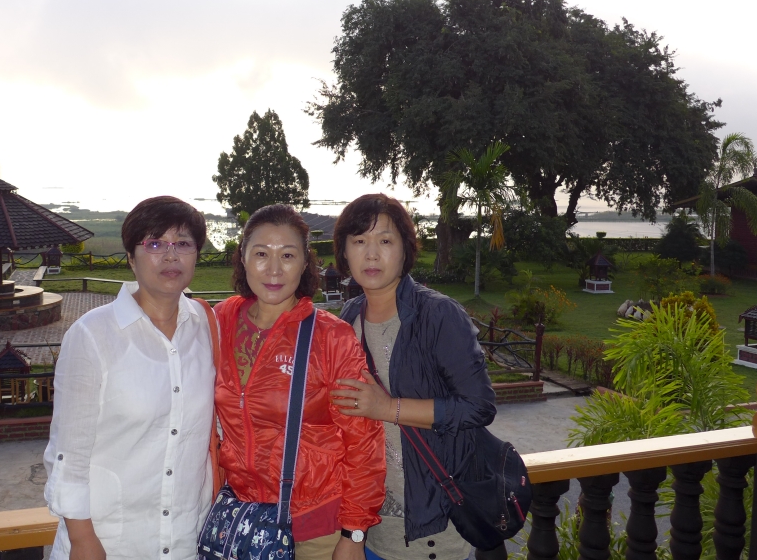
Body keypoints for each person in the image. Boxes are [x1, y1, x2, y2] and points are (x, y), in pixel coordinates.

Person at [44, 196, 217, 560]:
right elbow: (68, 454)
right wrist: (83, 541)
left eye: (183, 243)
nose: (170, 256)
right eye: (154, 244)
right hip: (111, 543)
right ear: (131, 258)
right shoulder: (93, 335)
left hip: (188, 541)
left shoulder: (208, 326)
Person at [212, 204, 386, 560]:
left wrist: (354, 534)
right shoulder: (220, 320)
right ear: (242, 258)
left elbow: (364, 443)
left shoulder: (331, 337)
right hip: (243, 515)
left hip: (317, 525)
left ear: (306, 262)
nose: (274, 269)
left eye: (288, 255)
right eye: (261, 254)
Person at [329, 194, 497, 560]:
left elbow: (479, 406)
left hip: (432, 530)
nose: (371, 254)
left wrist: (388, 408)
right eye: (359, 241)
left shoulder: (438, 315)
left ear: (405, 249)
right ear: (344, 252)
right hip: (368, 528)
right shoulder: (348, 318)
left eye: (385, 241)